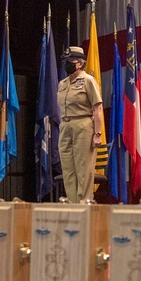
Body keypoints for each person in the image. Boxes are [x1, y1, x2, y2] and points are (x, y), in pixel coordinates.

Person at [56, 46, 103, 202]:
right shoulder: (62, 83)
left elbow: (97, 108)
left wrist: (97, 134)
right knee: (68, 170)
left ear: (80, 63)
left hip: (83, 125)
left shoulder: (88, 80)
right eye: (66, 60)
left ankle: (84, 205)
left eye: (71, 61)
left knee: (84, 170)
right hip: (65, 125)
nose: (67, 63)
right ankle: (72, 205)